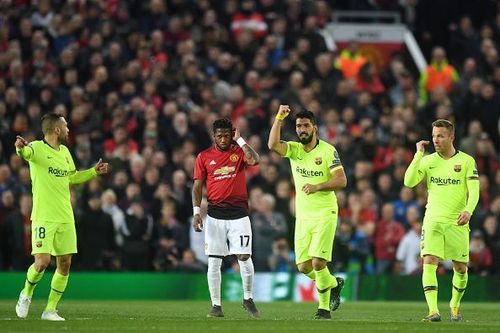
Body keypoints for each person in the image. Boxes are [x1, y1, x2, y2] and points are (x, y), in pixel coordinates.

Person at [14, 112, 109, 321]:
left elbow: (72, 177)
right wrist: (19, 148)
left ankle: (50, 310)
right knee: (42, 262)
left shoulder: (65, 151)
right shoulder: (37, 148)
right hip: (44, 216)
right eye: (65, 126)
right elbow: (24, 154)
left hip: (65, 216)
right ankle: (26, 294)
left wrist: (93, 171)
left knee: (64, 263)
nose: (68, 129)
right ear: (56, 129)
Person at [268, 106, 347, 320]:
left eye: (305, 125)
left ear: (315, 128)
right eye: (298, 126)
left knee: (318, 262)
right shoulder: (294, 150)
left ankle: (323, 309)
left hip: (325, 212)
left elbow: (341, 180)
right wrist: (279, 118)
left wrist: (317, 186)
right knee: (303, 266)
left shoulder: (328, 151)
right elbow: (273, 144)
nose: (302, 129)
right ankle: (333, 283)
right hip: (303, 216)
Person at [404, 119, 480, 322]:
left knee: (461, 268)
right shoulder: (428, 161)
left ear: (451, 137)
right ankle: (433, 311)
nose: (436, 140)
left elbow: (474, 192)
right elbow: (408, 181)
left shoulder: (466, 161)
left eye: (440, 136)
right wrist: (418, 154)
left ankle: (454, 306)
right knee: (429, 261)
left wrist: (468, 211)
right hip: (433, 220)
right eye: (434, 135)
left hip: (458, 222)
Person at [192, 118, 260, 318]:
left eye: (226, 135)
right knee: (214, 261)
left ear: (232, 134)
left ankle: (248, 298)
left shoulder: (239, 152)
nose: (223, 139)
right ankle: (216, 306)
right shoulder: (204, 157)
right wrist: (197, 212)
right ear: (214, 136)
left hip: (239, 215)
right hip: (215, 216)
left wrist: (240, 141)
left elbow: (255, 160)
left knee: (244, 257)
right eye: (219, 136)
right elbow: (197, 186)